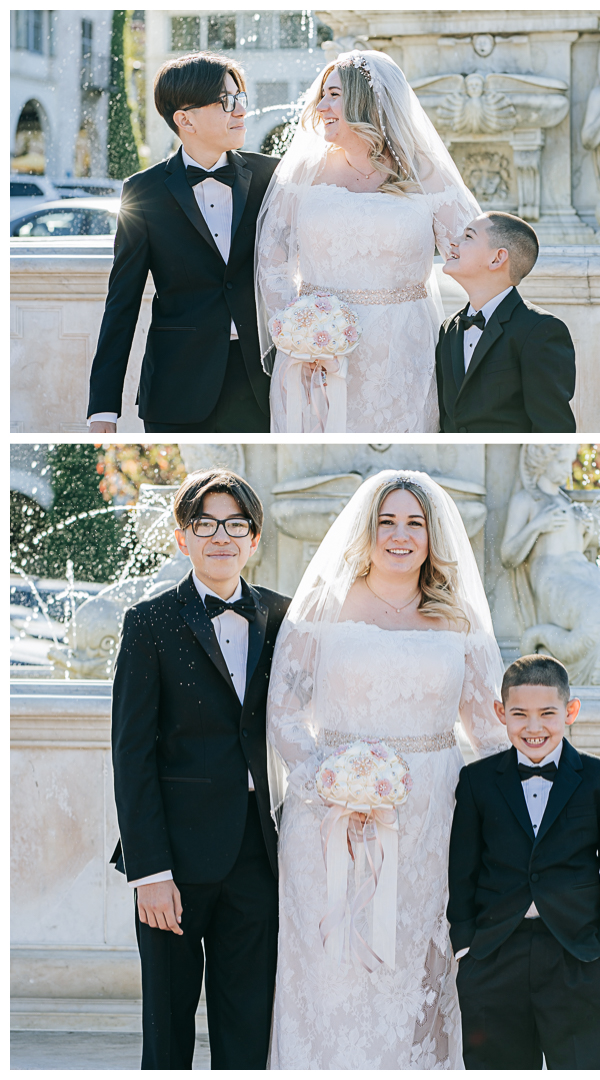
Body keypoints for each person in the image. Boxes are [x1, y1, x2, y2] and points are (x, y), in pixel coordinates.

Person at [266, 470, 510, 1068]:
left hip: (431, 824)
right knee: (333, 973)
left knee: (414, 973)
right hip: (330, 820)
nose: (400, 535)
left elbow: (491, 732)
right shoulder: (325, 606)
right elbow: (284, 714)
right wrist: (333, 781)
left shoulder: (458, 620)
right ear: (368, 530)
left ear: (432, 537)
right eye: (388, 521)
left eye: (415, 523)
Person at [111, 469, 290, 1068]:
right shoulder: (149, 623)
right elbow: (130, 754)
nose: (222, 537)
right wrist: (149, 871)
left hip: (257, 859)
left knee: (248, 1032)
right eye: (205, 524)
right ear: (183, 537)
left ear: (254, 538)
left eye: (236, 524)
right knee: (167, 1037)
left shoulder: (283, 618)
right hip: (174, 862)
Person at [255, 50, 481, 433]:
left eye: (333, 95)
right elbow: (272, 264)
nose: (320, 106)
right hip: (315, 353)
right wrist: (297, 333)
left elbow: (476, 254)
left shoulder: (425, 172)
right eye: (321, 95)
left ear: (365, 101)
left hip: (402, 352)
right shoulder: (304, 174)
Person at [448, 654, 600, 1070]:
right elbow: (461, 870)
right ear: (501, 713)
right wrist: (466, 946)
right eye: (519, 714)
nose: (533, 727)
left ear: (570, 711)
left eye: (547, 714)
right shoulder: (477, 781)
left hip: (577, 957)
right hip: (494, 957)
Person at [87, 53, 278, 434]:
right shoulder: (143, 191)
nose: (240, 110)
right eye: (226, 101)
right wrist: (103, 409)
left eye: (240, 97)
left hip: (262, 384)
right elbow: (121, 302)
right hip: (176, 387)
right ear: (184, 119)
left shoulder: (270, 176)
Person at [436, 211, 577, 432]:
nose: (453, 242)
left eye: (468, 237)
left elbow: (552, 428)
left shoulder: (540, 331)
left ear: (497, 258)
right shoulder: (449, 329)